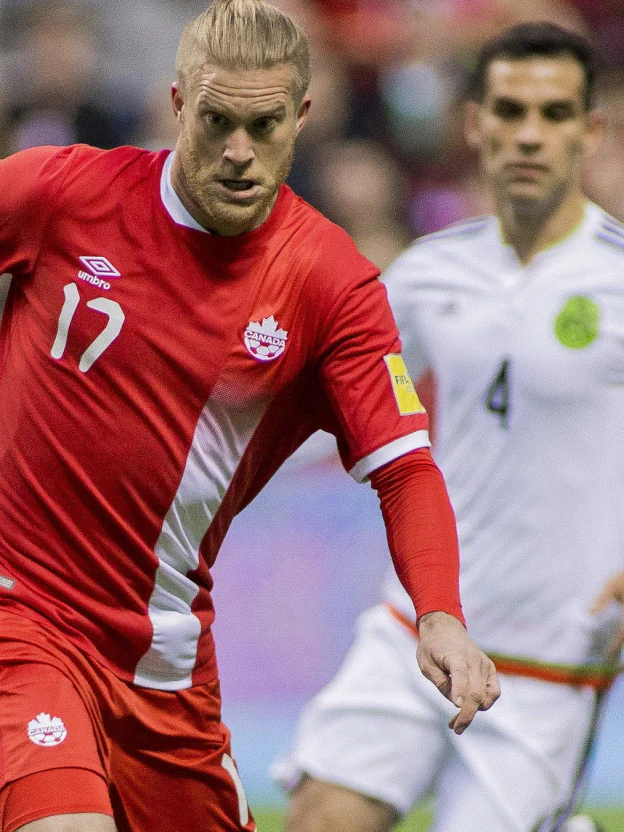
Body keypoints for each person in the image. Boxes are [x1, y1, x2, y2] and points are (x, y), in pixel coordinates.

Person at [0, 2, 499, 831]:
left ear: (301, 116)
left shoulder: (331, 286)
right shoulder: (61, 191)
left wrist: (439, 613)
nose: (238, 151)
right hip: (21, 614)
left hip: (164, 663)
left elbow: (405, 467)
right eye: (217, 122)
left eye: (263, 126)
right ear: (177, 105)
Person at [273, 21, 624, 832]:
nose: (528, 134)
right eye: (508, 109)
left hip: (550, 658)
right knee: (319, 819)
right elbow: (324, 406)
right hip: (420, 623)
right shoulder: (429, 272)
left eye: (553, 113)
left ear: (590, 130)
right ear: (474, 123)